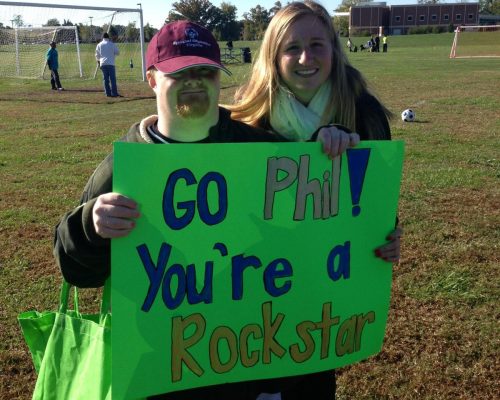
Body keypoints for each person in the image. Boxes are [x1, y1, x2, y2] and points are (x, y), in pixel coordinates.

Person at [54, 20, 344, 400]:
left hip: (250, 362)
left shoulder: (258, 149)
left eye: (205, 71)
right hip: (167, 367)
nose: (195, 81)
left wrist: (326, 148)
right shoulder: (126, 166)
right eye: (180, 73)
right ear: (153, 79)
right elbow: (75, 269)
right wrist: (90, 226)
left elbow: (315, 223)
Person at [227, 2, 403, 397]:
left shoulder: (363, 111)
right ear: (273, 55)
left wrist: (387, 233)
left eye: (317, 45)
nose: (306, 58)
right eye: (292, 48)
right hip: (257, 282)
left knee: (312, 373)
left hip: (323, 286)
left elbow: (374, 204)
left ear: (334, 50)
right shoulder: (247, 119)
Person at [95, 32, 120, 97]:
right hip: (111, 63)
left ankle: (107, 93)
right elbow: (117, 52)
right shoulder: (112, 44)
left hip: (102, 63)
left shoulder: (99, 45)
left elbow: (97, 55)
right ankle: (114, 93)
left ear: (102, 38)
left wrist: (99, 62)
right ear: (108, 37)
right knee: (112, 79)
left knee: (105, 79)